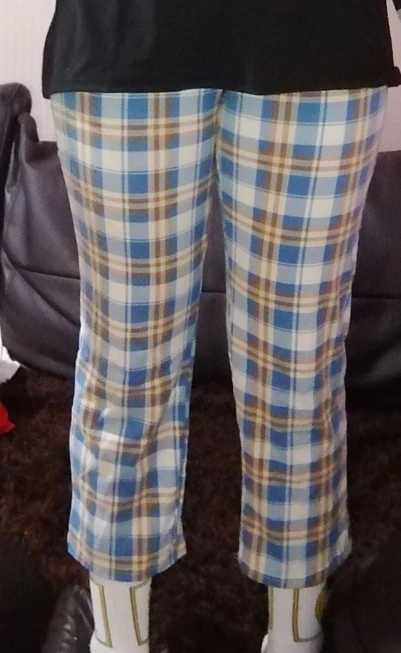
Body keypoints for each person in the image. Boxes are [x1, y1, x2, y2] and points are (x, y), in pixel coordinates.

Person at [41, 2, 401, 652]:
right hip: (124, 30)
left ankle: (297, 635)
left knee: (300, 368)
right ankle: (117, 640)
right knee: (125, 368)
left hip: (321, 32)